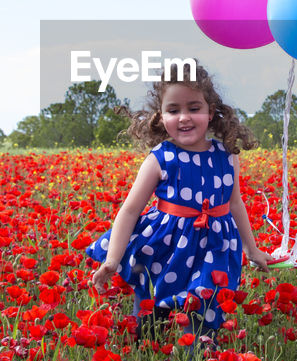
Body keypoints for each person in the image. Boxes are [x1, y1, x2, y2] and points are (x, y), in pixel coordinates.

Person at [87, 63, 271, 342]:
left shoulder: (227, 156)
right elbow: (130, 210)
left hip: (213, 249)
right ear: (160, 117)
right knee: (151, 316)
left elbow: (234, 204)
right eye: (173, 110)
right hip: (165, 249)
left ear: (211, 111)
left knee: (205, 313)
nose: (184, 117)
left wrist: (252, 248)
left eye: (194, 108)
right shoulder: (160, 158)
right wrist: (112, 259)